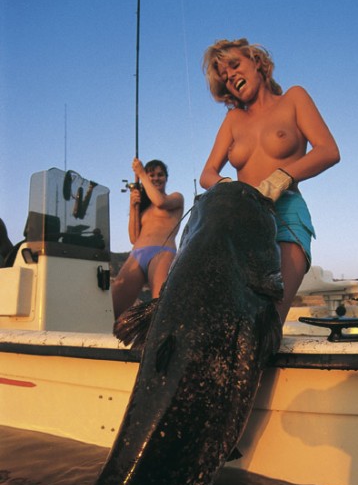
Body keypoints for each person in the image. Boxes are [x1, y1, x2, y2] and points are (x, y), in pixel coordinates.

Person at [200, 38, 340, 324]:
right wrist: (229, 187)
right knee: (231, 318)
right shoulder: (233, 120)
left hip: (286, 214)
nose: (231, 76)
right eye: (225, 77)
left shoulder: (294, 98)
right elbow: (207, 174)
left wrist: (283, 177)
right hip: (242, 221)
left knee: (268, 320)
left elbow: (328, 151)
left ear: (257, 62)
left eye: (235, 65)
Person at [111, 158, 184, 319]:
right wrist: (133, 206)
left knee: (160, 307)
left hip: (162, 252)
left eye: (160, 174)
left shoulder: (176, 198)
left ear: (166, 178)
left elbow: (160, 201)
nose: (156, 178)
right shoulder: (144, 208)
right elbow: (133, 238)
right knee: (112, 309)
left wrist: (142, 174)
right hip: (136, 254)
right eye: (152, 175)